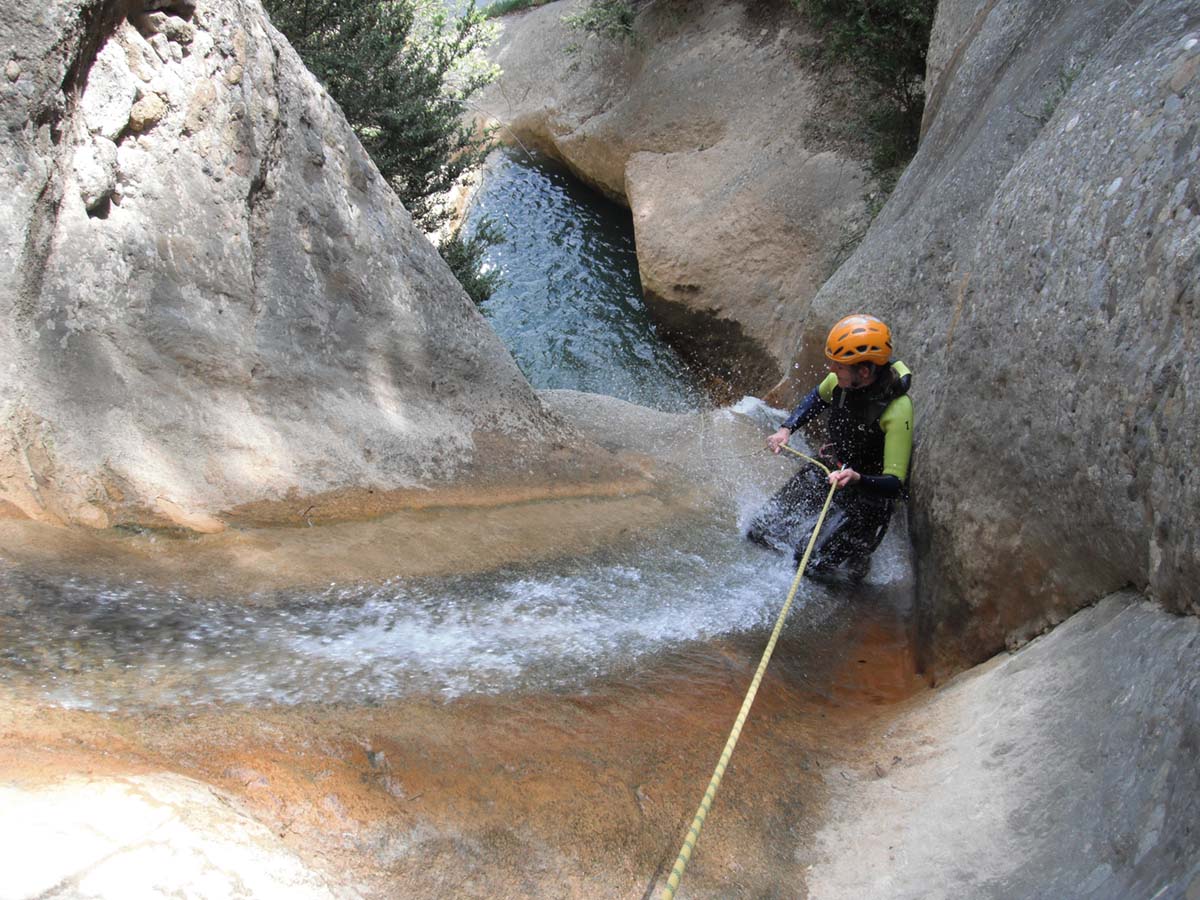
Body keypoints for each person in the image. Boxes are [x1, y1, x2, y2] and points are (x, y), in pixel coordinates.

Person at [747, 314, 913, 582]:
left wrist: (857, 478)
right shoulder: (842, 381)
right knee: (761, 530)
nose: (832, 371)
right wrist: (786, 429)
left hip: (868, 497)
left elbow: (894, 483)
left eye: (839, 367)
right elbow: (817, 398)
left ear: (865, 372)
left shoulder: (897, 409)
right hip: (832, 469)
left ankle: (855, 558)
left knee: (809, 561)